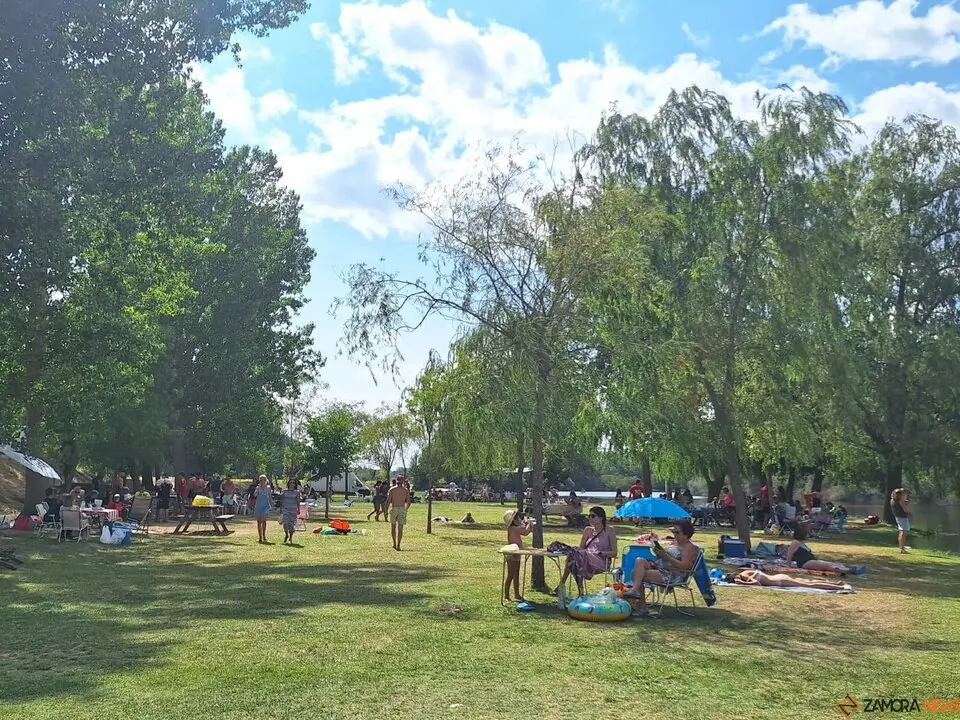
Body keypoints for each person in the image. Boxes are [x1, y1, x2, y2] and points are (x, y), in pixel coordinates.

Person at [624, 520, 698, 617]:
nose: (674, 535)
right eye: (673, 532)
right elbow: (665, 557)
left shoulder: (688, 547)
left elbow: (684, 566)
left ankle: (640, 604)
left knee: (637, 573)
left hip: (673, 574)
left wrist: (666, 556)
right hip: (661, 568)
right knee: (639, 561)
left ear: (686, 533)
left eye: (677, 532)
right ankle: (635, 594)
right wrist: (659, 553)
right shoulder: (674, 543)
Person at [553, 506, 619, 598]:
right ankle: (578, 590)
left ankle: (563, 586)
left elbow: (614, 553)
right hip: (585, 559)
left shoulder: (609, 531)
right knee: (573, 557)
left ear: (601, 518)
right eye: (589, 516)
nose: (589, 518)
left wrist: (601, 553)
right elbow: (581, 548)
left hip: (601, 561)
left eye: (592, 516)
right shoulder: (588, 530)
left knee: (573, 557)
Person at [785, 525, 849, 573]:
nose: (808, 535)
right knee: (827, 566)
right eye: (807, 533)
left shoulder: (802, 543)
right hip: (805, 563)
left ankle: (849, 569)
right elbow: (789, 554)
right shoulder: (795, 542)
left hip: (811, 561)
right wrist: (788, 566)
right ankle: (849, 570)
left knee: (835, 563)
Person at [727, 569, 852, 592]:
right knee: (808, 582)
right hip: (778, 577)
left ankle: (840, 588)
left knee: (810, 585)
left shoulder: (744, 576)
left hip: (779, 581)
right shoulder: (747, 572)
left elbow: (757, 584)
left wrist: (741, 583)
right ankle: (836, 584)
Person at [503, 509, 533, 603]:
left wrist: (528, 524)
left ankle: (517, 594)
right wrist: (530, 523)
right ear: (513, 521)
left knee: (516, 575)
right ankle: (506, 596)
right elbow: (525, 532)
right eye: (518, 518)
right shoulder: (513, 528)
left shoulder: (515, 528)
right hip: (512, 555)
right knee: (511, 575)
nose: (520, 519)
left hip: (517, 553)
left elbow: (525, 530)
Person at [385, 475, 411, 550]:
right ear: (403, 481)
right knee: (400, 528)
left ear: (396, 480)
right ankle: (398, 544)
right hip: (402, 508)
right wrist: (406, 509)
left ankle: (394, 543)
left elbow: (388, 501)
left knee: (393, 527)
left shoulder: (392, 489)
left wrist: (386, 511)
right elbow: (409, 502)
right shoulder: (405, 490)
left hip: (394, 508)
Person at [890, 487, 912, 554]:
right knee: (903, 533)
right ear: (899, 495)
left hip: (898, 517)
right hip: (903, 518)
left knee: (901, 532)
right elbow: (905, 510)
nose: (904, 495)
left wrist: (905, 502)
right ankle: (902, 549)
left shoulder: (892, 500)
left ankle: (901, 547)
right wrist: (910, 513)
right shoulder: (900, 500)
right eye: (902, 494)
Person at [279, 479, 301, 545]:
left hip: (293, 510)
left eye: (293, 483)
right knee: (285, 523)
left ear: (295, 484)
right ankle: (286, 534)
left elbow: (298, 502)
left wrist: (299, 509)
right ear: (288, 484)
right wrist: (281, 508)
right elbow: (282, 500)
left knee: (291, 524)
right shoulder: (285, 491)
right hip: (285, 509)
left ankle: (290, 537)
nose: (292, 484)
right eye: (290, 483)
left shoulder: (297, 492)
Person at [253, 474, 272, 543]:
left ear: (266, 480)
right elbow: (255, 495)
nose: (262, 481)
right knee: (259, 522)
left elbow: (269, 497)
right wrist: (257, 489)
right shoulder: (258, 487)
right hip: (258, 505)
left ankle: (264, 535)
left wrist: (271, 504)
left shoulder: (268, 488)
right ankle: (260, 537)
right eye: (260, 480)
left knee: (263, 520)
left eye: (263, 480)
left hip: (265, 505)